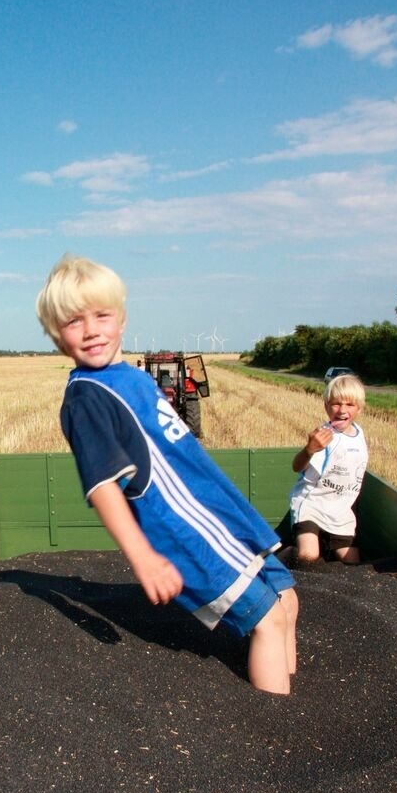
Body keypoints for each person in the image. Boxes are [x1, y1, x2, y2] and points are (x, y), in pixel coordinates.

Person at [36, 255, 298, 695]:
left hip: (218, 513)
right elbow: (102, 485)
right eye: (73, 322)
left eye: (101, 315)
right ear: (58, 339)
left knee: (287, 599)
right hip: (185, 529)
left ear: (121, 319)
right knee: (268, 619)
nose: (91, 329)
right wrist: (143, 557)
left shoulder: (132, 378)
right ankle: (276, 726)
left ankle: (292, 694)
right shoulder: (88, 397)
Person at [287, 374, 368, 565]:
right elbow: (296, 466)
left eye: (349, 405)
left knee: (352, 562)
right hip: (312, 505)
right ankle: (286, 560)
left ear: (359, 409)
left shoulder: (359, 434)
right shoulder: (324, 435)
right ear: (326, 406)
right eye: (336, 404)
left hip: (340, 511)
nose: (342, 410)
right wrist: (310, 449)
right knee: (309, 556)